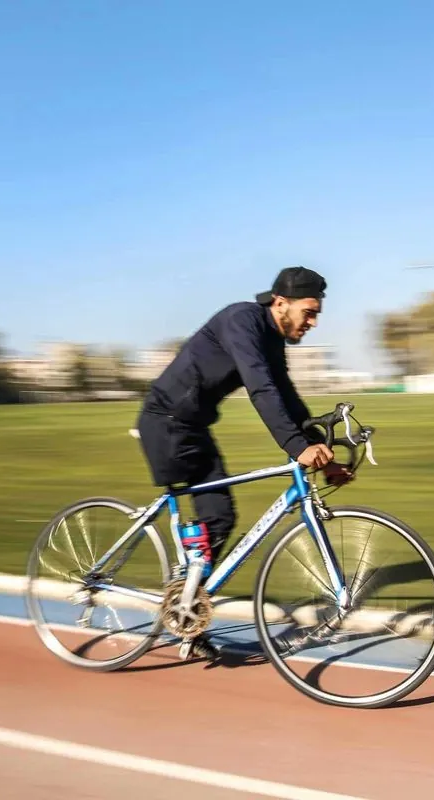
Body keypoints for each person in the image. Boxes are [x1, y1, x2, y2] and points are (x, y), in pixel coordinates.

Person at [134, 266, 354, 661]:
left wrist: (321, 455)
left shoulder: (272, 338)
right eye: (310, 312)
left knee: (219, 517)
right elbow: (260, 387)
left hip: (193, 427)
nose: (314, 322)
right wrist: (294, 446)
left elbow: (286, 394)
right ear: (280, 304)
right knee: (209, 517)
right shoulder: (242, 320)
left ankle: (188, 611)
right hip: (164, 423)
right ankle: (183, 600)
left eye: (317, 313)